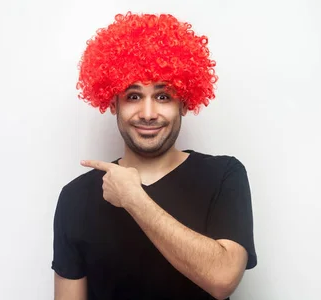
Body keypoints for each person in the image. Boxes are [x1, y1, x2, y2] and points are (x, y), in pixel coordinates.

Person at [51, 12, 257, 300]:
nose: (148, 114)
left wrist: (134, 199)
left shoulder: (223, 175)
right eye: (133, 96)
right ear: (113, 104)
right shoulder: (76, 196)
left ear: (184, 103)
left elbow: (223, 279)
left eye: (163, 96)